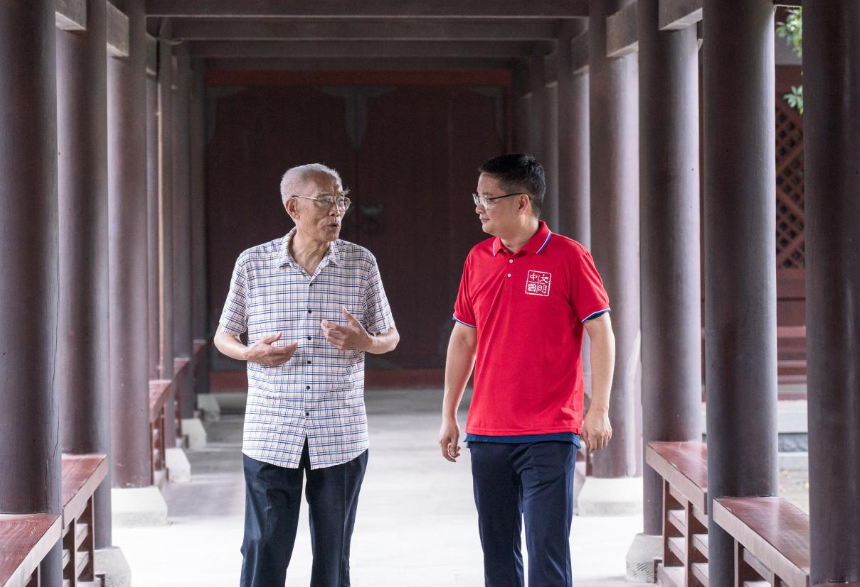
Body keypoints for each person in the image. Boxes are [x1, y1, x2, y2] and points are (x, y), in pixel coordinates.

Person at [214, 163, 399, 587]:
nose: (337, 210)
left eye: (341, 200)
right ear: (292, 207)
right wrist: (250, 353)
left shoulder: (361, 263)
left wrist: (366, 341)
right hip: (270, 429)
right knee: (263, 547)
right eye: (325, 201)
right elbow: (224, 335)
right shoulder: (252, 264)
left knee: (333, 555)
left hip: (340, 431)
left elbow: (390, 337)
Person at [438, 153, 615, 587]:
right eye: (477, 197)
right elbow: (463, 339)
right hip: (487, 432)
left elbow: (601, 333)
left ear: (521, 202)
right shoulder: (478, 258)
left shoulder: (570, 257)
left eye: (488, 198)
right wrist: (449, 415)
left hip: (550, 431)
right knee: (498, 554)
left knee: (546, 549)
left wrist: (599, 409)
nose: (478, 207)